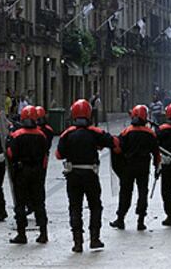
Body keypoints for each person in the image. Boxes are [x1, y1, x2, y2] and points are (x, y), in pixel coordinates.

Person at [56, 99, 120, 253]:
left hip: (73, 175)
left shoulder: (67, 134)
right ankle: (94, 239)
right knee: (95, 206)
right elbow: (115, 143)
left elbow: (58, 155)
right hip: (90, 174)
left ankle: (77, 242)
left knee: (75, 207)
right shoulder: (95, 132)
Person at [109, 105, 161, 231]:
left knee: (125, 193)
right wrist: (157, 168)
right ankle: (141, 221)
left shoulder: (126, 131)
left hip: (128, 167)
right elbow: (156, 154)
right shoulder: (151, 134)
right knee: (143, 192)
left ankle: (120, 219)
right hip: (143, 167)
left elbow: (118, 148)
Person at [8, 105, 48, 244]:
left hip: (21, 172)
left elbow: (10, 154)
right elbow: (45, 155)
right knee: (39, 202)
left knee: (20, 203)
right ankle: (43, 233)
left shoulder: (16, 135)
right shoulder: (41, 135)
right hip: (37, 172)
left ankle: (21, 234)